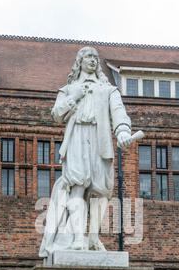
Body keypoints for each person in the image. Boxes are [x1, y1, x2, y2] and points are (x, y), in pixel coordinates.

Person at [39, 46, 132, 258]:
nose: (92, 60)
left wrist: (123, 131)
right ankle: (78, 238)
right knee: (77, 186)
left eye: (95, 57)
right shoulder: (69, 88)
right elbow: (56, 115)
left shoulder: (108, 89)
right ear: (79, 61)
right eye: (88, 57)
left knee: (102, 191)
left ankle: (93, 237)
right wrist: (74, 97)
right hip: (77, 138)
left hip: (100, 140)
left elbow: (119, 113)